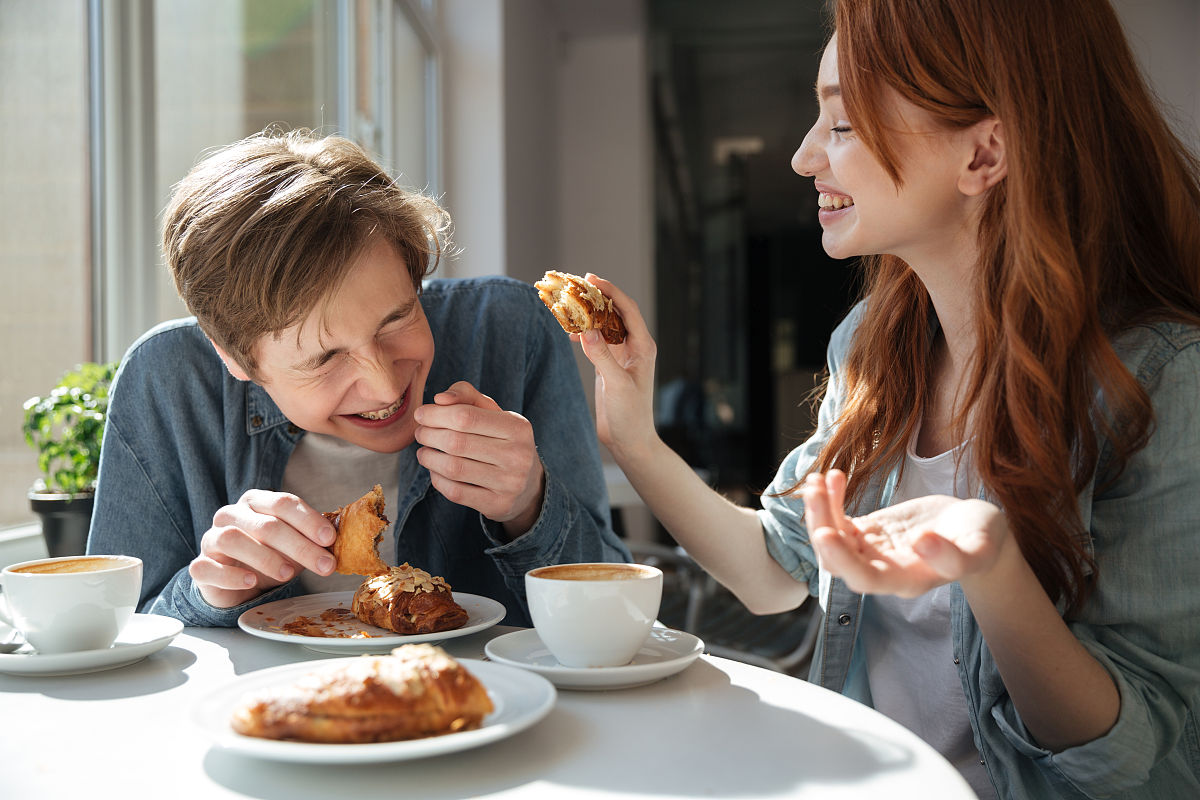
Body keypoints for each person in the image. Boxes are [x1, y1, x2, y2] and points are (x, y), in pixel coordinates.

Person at [574, 1, 1200, 797]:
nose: (803, 157)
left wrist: (990, 564)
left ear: (984, 154)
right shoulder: (872, 343)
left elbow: (1128, 764)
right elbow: (776, 572)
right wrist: (632, 435)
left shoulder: (1165, 383)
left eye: (841, 124)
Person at [87, 129, 630, 628]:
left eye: (398, 319)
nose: (384, 387)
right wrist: (209, 593)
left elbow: (617, 611)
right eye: (324, 358)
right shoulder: (166, 382)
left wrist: (529, 504)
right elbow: (111, 637)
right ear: (234, 357)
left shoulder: (509, 332)